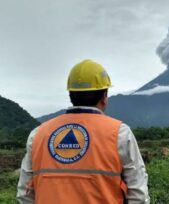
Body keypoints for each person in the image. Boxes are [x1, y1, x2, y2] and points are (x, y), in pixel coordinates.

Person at [17, 59, 150, 204]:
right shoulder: (119, 133)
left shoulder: (38, 134)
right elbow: (138, 194)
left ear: (71, 95)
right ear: (104, 96)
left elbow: (25, 193)